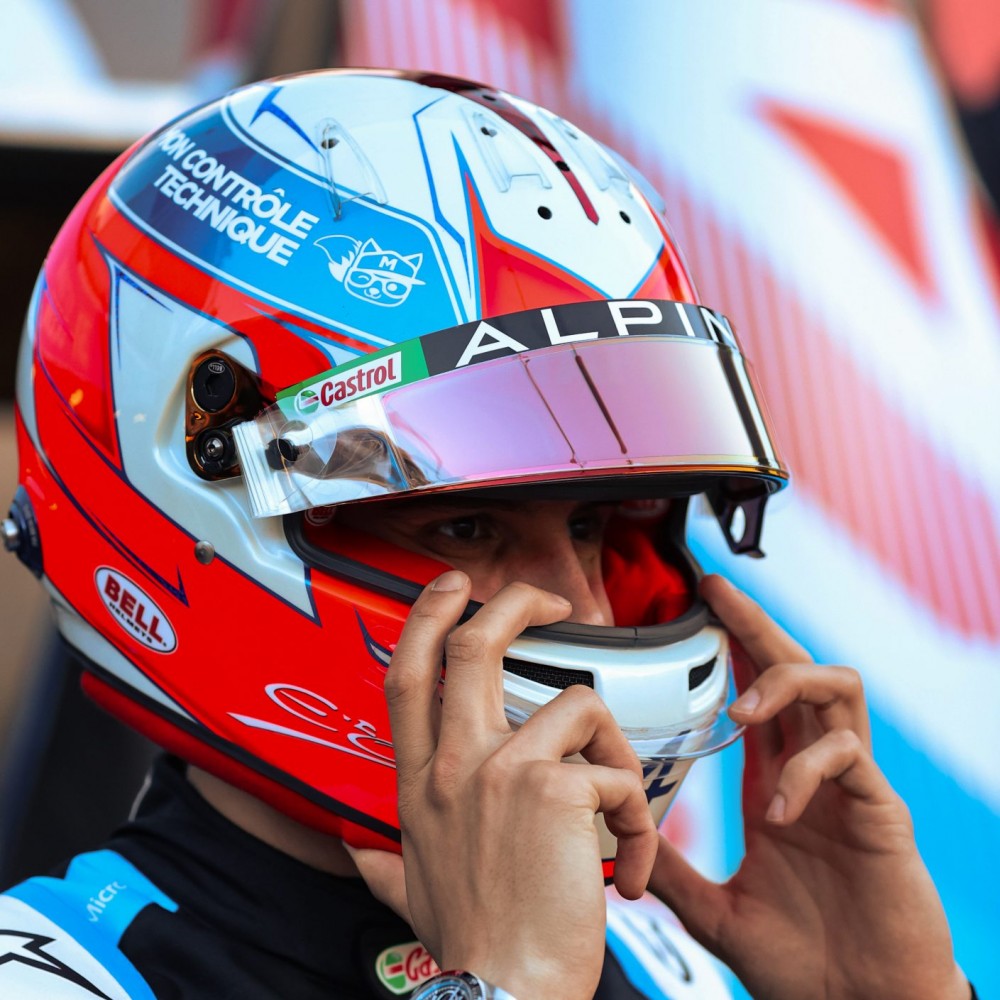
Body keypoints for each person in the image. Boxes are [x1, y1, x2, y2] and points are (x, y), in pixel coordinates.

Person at [0, 69, 972, 999]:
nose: (587, 606)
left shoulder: (659, 959)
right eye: (466, 525)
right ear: (193, 501)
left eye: (591, 525)